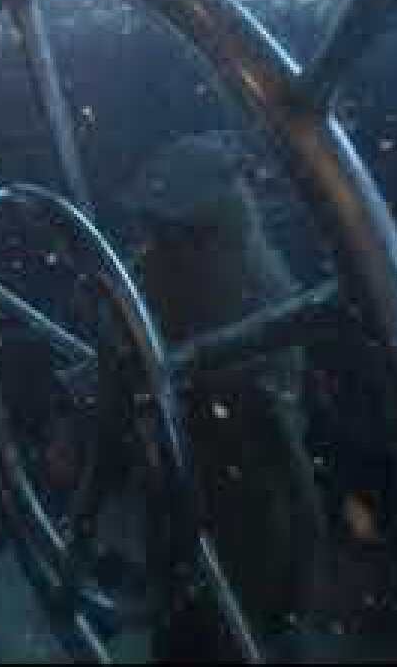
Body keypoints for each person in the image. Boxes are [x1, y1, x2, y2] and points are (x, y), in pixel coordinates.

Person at [121, 129, 329, 661]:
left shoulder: (253, 302)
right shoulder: (187, 278)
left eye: (168, 238)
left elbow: (288, 466)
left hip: (244, 525)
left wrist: (301, 580)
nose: (147, 254)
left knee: (240, 624)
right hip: (183, 502)